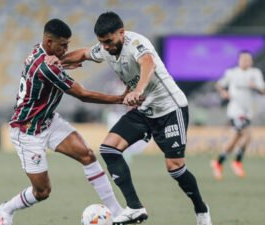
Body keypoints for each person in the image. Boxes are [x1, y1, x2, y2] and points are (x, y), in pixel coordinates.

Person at [54, 11, 212, 225]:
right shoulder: (105, 49)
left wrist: (138, 90)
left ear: (121, 32)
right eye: (102, 42)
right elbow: (82, 54)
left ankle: (201, 210)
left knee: (175, 168)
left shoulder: (136, 43)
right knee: (109, 149)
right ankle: (135, 208)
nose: (106, 46)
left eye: (109, 41)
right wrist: (54, 61)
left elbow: (148, 63)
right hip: (144, 110)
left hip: (169, 109)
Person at [0, 18, 138, 225]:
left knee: (88, 155)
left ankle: (117, 213)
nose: (66, 49)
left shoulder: (42, 53)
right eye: (62, 45)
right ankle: (6, 209)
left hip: (49, 121)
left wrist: (66, 62)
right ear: (48, 42)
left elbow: (56, 68)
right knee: (42, 191)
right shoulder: (47, 68)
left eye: (67, 45)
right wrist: (119, 98)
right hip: (27, 131)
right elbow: (82, 94)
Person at [211, 51, 265, 180]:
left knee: (234, 139)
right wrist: (223, 92)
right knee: (247, 135)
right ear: (239, 60)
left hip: (248, 112)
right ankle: (237, 161)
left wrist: (255, 86)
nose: (246, 61)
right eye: (244, 59)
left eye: (249, 59)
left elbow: (263, 90)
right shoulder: (232, 73)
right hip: (235, 111)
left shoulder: (255, 73)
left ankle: (218, 163)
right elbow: (219, 85)